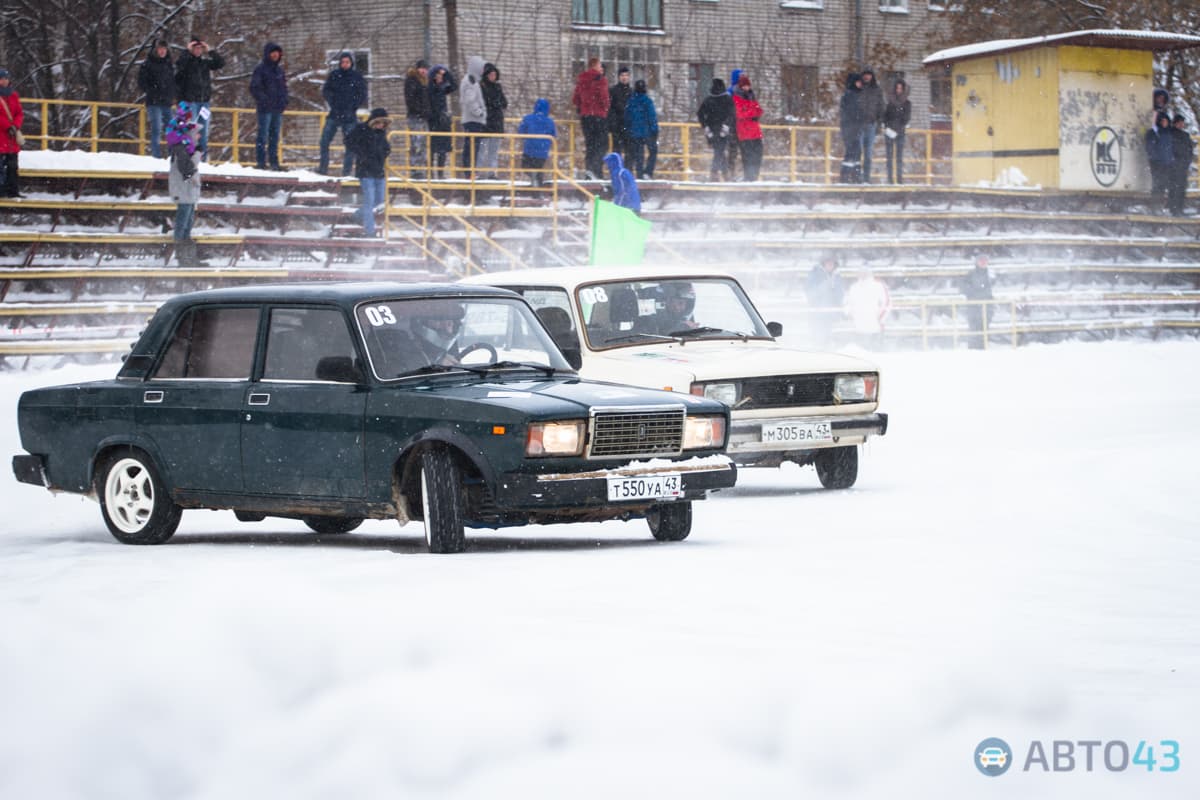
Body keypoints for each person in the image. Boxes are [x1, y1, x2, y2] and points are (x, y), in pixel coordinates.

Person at [344, 108, 391, 237]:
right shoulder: (361, 129)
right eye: (380, 122)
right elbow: (348, 141)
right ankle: (369, 231)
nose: (382, 125)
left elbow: (387, 148)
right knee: (369, 202)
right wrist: (362, 154)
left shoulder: (381, 133)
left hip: (378, 172)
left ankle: (356, 216)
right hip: (365, 171)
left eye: (384, 123)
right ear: (374, 120)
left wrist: (381, 156)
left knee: (379, 202)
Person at [174, 35, 224, 157]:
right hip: (190, 101)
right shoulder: (186, 62)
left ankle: (202, 156)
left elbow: (220, 63)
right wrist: (186, 50)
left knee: (203, 131)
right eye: (195, 48)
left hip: (204, 102)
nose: (198, 50)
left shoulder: (204, 63)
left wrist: (210, 50)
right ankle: (188, 154)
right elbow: (180, 65)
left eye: (200, 48)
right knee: (190, 130)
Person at [166, 103, 203, 266]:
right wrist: (196, 159)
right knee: (182, 224)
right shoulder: (180, 149)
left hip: (188, 193)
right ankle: (181, 255)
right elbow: (186, 168)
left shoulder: (187, 149)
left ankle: (187, 254)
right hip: (183, 192)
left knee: (188, 223)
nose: (199, 136)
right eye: (196, 134)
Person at [319, 52, 367, 176]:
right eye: (343, 62)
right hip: (335, 113)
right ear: (340, 63)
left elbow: (362, 95)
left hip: (350, 115)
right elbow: (326, 91)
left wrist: (353, 106)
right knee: (324, 141)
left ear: (351, 63)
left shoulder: (357, 77)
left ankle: (346, 172)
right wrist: (333, 102)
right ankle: (323, 169)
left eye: (347, 62)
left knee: (350, 145)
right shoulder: (334, 75)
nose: (345, 64)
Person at [249, 42, 288, 170]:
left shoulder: (279, 71)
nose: (275, 55)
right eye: (273, 52)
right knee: (263, 135)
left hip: (277, 108)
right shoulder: (261, 69)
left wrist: (284, 101)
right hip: (265, 109)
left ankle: (274, 162)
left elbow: (283, 88)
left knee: (275, 136)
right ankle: (261, 162)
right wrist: (264, 100)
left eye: (277, 52)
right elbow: (254, 87)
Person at [572, 57, 610, 179]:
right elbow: (604, 98)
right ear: (594, 66)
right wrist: (605, 107)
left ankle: (589, 170)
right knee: (602, 144)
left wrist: (582, 107)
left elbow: (575, 98)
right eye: (600, 65)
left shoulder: (582, 79)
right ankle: (597, 170)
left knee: (590, 144)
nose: (601, 68)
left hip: (586, 116)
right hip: (598, 115)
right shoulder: (600, 79)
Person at [137, 41, 176, 159]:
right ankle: (156, 156)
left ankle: (172, 155)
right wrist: (153, 91)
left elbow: (173, 82)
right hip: (154, 102)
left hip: (167, 102)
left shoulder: (169, 64)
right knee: (157, 129)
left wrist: (172, 94)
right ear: (155, 50)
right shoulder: (147, 64)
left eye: (164, 48)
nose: (162, 51)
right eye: (160, 49)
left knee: (172, 130)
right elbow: (142, 82)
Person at [698, 77, 735, 182]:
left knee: (718, 151)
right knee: (720, 151)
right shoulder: (727, 99)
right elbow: (732, 114)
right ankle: (716, 174)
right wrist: (727, 125)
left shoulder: (708, 99)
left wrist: (705, 126)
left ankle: (722, 174)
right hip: (723, 129)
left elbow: (700, 113)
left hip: (712, 129)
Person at [806, 251, 845, 346]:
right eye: (828, 263)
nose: (830, 265)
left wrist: (838, 307)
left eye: (832, 263)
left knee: (829, 334)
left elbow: (840, 292)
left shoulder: (836, 276)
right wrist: (822, 289)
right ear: (824, 263)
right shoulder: (815, 274)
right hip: (818, 311)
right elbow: (809, 291)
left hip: (831, 311)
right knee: (818, 335)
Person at [845, 268, 891, 349]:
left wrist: (880, 319)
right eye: (861, 273)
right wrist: (852, 317)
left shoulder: (878, 286)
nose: (863, 275)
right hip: (858, 329)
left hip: (875, 329)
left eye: (865, 273)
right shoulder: (854, 287)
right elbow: (847, 304)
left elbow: (887, 303)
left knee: (876, 357)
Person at [426, 65, 457, 178]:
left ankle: (440, 173)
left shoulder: (443, 87)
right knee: (432, 149)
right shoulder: (430, 88)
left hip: (443, 122)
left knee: (442, 150)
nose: (440, 78)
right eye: (437, 75)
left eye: (441, 76)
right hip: (433, 121)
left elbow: (454, 86)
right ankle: (430, 173)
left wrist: (446, 73)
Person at [958, 252, 994, 349]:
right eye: (981, 260)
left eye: (985, 261)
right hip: (973, 308)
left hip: (986, 308)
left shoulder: (991, 274)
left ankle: (983, 349)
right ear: (976, 262)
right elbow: (963, 287)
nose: (983, 263)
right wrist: (974, 293)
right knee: (974, 330)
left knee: (984, 331)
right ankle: (973, 351)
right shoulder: (971, 274)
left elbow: (991, 291)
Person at [517, 98, 556, 187]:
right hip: (543, 151)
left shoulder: (528, 118)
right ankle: (538, 189)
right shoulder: (550, 121)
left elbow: (521, 132)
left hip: (529, 149)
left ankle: (534, 179)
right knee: (539, 169)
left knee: (525, 166)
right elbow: (553, 135)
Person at [624, 79, 658, 179]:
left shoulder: (630, 101)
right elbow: (652, 117)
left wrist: (627, 130)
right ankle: (647, 172)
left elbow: (627, 117)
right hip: (647, 132)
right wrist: (655, 130)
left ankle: (639, 175)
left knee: (639, 155)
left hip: (634, 133)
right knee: (653, 152)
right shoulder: (647, 101)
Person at [732, 74, 763, 181]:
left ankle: (754, 176)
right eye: (744, 86)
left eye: (748, 86)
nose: (747, 88)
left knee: (757, 155)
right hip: (745, 132)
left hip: (754, 131)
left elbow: (759, 110)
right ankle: (749, 177)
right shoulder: (736, 98)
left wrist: (750, 112)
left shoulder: (751, 96)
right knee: (748, 156)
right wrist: (752, 112)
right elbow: (740, 114)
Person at [459, 56, 487, 175]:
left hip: (474, 120)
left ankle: (470, 170)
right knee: (471, 147)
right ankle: (469, 171)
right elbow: (470, 101)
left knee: (472, 147)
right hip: (473, 120)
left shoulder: (473, 80)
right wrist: (479, 112)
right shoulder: (470, 81)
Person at [480, 62, 507, 178]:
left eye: (494, 75)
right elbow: (485, 103)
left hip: (496, 123)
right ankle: (480, 172)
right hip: (486, 122)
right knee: (482, 150)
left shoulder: (497, 87)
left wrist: (496, 103)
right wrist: (495, 104)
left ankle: (492, 172)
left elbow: (504, 103)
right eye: (491, 74)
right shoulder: (482, 87)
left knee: (493, 151)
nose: (493, 77)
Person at [403, 59, 430, 177]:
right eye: (422, 68)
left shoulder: (424, 82)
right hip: (415, 116)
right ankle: (415, 169)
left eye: (426, 69)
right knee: (416, 143)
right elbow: (411, 100)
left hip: (422, 117)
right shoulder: (412, 80)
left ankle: (420, 169)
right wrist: (421, 110)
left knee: (422, 143)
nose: (424, 71)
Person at [0, 68, 24, 198]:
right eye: (1, 78)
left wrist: (15, 125)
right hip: (2, 136)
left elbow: (19, 113)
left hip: (11, 138)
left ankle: (13, 191)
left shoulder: (14, 95)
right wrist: (9, 126)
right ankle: (3, 191)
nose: (3, 81)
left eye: (5, 78)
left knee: (12, 167)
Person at [858, 67, 884, 183]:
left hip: (871, 125)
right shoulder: (858, 88)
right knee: (858, 152)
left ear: (872, 76)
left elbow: (881, 107)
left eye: (869, 74)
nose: (867, 76)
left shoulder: (877, 90)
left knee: (868, 154)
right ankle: (857, 177)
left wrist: (879, 124)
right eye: (865, 74)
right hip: (859, 124)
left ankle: (866, 178)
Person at [883, 78, 911, 184]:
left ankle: (899, 180)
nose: (899, 90)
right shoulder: (889, 101)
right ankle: (890, 179)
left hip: (900, 132)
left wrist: (898, 128)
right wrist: (888, 128)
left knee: (899, 157)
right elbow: (884, 116)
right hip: (889, 132)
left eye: (900, 88)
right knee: (889, 158)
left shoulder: (907, 103)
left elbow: (906, 118)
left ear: (903, 89)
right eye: (897, 88)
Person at [1145, 111, 1174, 207]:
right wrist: (1155, 159)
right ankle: (1154, 205)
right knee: (1157, 185)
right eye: (1162, 121)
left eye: (1166, 121)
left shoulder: (1169, 133)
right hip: (1157, 163)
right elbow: (1150, 148)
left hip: (1166, 163)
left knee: (1163, 185)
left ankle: (1159, 205)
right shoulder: (1154, 133)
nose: (1164, 123)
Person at [839, 73, 864, 183]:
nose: (860, 84)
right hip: (850, 128)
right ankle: (846, 176)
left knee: (856, 152)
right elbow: (852, 112)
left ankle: (855, 175)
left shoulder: (854, 94)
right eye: (858, 82)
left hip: (854, 128)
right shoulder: (850, 95)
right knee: (851, 152)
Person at [1168, 114, 1193, 217]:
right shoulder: (1170, 134)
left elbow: (1190, 150)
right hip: (1173, 166)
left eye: (1182, 123)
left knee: (1182, 188)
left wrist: (1187, 161)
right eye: (1179, 122)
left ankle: (1180, 208)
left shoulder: (1185, 135)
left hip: (1183, 165)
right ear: (1175, 123)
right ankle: (1174, 209)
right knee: (1174, 188)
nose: (1181, 124)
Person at [608, 66, 633, 165]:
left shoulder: (632, 91)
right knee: (616, 149)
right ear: (618, 77)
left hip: (628, 125)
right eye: (622, 75)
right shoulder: (613, 90)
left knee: (629, 150)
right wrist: (612, 123)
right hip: (617, 125)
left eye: (626, 75)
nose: (624, 77)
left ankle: (627, 170)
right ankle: (616, 169)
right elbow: (610, 109)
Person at [726, 68, 744, 175]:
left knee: (733, 150)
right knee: (738, 149)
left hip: (734, 123)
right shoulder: (735, 91)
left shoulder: (730, 91)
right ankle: (735, 171)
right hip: (736, 123)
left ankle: (731, 171)